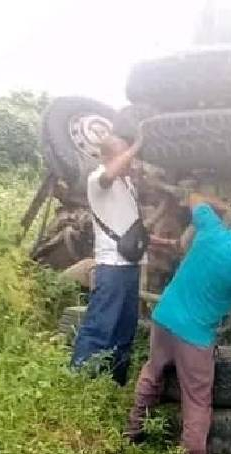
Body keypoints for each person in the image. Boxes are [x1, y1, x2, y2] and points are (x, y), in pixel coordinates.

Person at [123, 192, 231, 454]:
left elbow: (193, 196)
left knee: (152, 373)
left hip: (165, 316)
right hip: (195, 335)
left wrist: (226, 206)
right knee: (197, 400)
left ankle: (132, 431)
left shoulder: (211, 229)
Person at [70, 133, 144, 386]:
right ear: (107, 157)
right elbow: (108, 175)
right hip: (111, 266)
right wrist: (135, 146)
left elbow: (130, 225)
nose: (129, 161)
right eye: (122, 155)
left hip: (131, 266)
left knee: (125, 329)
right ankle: (81, 381)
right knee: (100, 326)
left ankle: (114, 382)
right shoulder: (98, 179)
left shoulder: (128, 186)